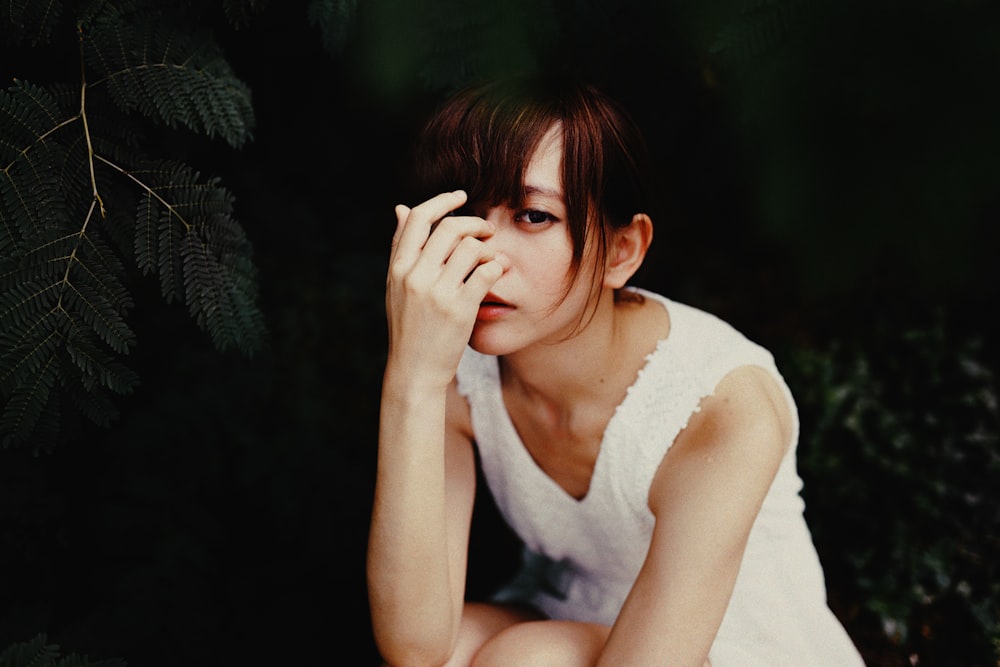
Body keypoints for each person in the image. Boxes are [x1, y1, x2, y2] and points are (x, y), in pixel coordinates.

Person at [366, 74, 865, 667]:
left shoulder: (723, 405)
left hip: (730, 642)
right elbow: (414, 645)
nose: (482, 255)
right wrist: (413, 379)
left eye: (531, 215)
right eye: (468, 211)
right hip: (578, 609)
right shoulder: (452, 364)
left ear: (622, 250)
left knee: (527, 660)